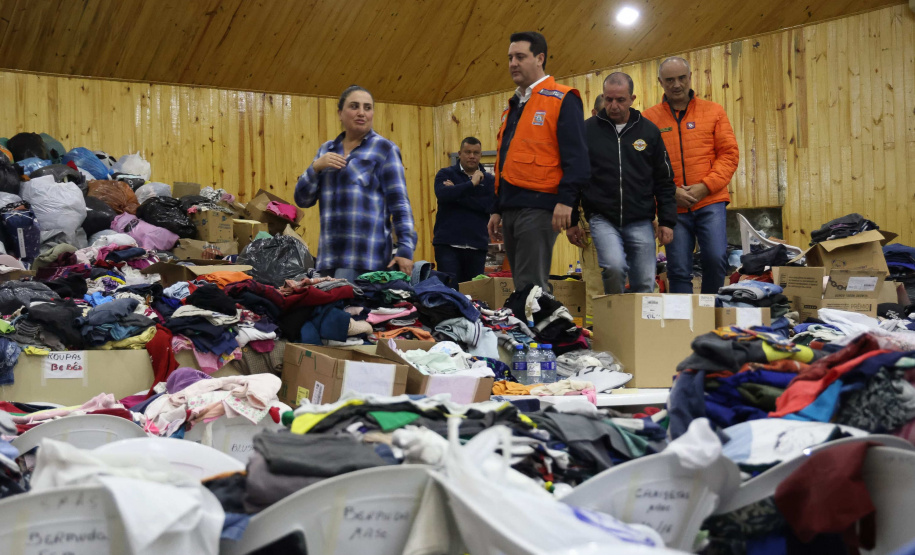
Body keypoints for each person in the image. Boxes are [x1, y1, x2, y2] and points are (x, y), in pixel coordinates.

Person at [487, 31, 589, 292]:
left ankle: (540, 331)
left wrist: (568, 201)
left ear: (540, 58)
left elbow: (577, 158)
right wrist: (497, 208)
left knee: (532, 285)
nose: (513, 63)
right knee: (521, 284)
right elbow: (505, 162)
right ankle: (527, 330)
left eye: (520, 57)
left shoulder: (563, 98)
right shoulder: (513, 104)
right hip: (510, 208)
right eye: (510, 58)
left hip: (540, 208)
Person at [567, 72, 677, 294]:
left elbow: (664, 180)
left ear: (632, 99)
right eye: (608, 99)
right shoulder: (586, 132)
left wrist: (667, 221)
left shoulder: (649, 132)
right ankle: (617, 319)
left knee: (645, 281)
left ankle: (641, 328)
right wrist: (571, 220)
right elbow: (571, 178)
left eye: (620, 100)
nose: (613, 105)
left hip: (640, 220)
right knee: (614, 267)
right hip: (602, 218)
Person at [294, 85, 417, 282]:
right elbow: (303, 199)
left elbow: (400, 204)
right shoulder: (326, 150)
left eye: (367, 108)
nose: (361, 113)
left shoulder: (384, 149)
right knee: (329, 312)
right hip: (328, 258)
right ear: (340, 113)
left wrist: (405, 249)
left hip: (365, 258)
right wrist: (315, 167)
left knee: (352, 312)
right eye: (354, 106)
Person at [643, 56, 739, 294]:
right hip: (672, 207)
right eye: (670, 80)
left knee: (716, 258)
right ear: (660, 82)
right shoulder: (648, 119)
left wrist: (705, 187)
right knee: (677, 269)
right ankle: (683, 323)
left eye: (681, 78)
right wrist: (670, 191)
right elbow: (643, 165)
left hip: (709, 200)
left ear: (690, 78)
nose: (676, 84)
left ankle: (710, 314)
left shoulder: (713, 111)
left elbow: (729, 155)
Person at [432, 137, 496, 288]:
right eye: (468, 152)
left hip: (477, 247)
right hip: (448, 245)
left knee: (473, 296)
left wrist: (456, 193)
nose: (472, 156)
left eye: (476, 152)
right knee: (449, 294)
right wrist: (471, 184)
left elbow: (488, 206)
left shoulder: (489, 180)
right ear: (460, 153)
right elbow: (443, 195)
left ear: (480, 155)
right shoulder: (445, 174)